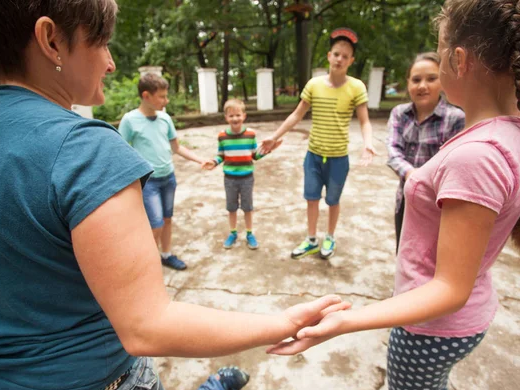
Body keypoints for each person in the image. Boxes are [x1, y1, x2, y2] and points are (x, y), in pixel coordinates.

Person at [0, 1, 350, 390]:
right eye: (102, 43)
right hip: (95, 386)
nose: (109, 63)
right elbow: (147, 326)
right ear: (51, 40)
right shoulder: (84, 150)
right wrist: (282, 323)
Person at [268, 2, 520, 390]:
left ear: (458, 60)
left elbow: (449, 289)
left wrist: (346, 322)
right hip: (460, 318)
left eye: (439, 54)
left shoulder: (479, 155)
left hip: (431, 328)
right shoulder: (512, 134)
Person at [259, 27, 376, 260]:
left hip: (338, 158)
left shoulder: (356, 87)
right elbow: (296, 115)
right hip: (313, 156)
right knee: (311, 198)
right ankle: (311, 239)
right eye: (336, 54)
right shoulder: (314, 85)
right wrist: (275, 136)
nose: (339, 59)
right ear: (328, 56)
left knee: (333, 200)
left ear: (351, 60)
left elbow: (364, 121)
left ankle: (329, 236)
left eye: (345, 56)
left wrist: (368, 144)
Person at [119, 73, 205, 270]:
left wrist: (200, 159)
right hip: (148, 182)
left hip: (169, 178)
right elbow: (121, 151)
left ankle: (165, 255)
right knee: (155, 224)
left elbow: (176, 148)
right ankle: (147, 264)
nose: (166, 101)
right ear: (146, 96)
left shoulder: (165, 119)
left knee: (167, 219)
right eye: (162, 96)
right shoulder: (130, 120)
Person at [386, 52, 465, 253]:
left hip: (440, 205)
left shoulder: (456, 119)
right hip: (406, 200)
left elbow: (455, 165)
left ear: (443, 81)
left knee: (435, 258)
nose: (422, 86)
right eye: (416, 80)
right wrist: (412, 176)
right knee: (404, 254)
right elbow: (394, 151)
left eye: (431, 78)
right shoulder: (399, 114)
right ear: (408, 83)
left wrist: (423, 182)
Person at [203, 99, 278, 250]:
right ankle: (233, 233)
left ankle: (250, 233)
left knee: (247, 207)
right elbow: (221, 155)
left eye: (238, 115)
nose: (235, 118)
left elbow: (254, 156)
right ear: (226, 118)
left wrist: (268, 150)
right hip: (229, 179)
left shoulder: (250, 135)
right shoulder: (222, 136)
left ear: (244, 116)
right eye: (231, 116)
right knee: (231, 207)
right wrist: (214, 162)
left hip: (247, 178)